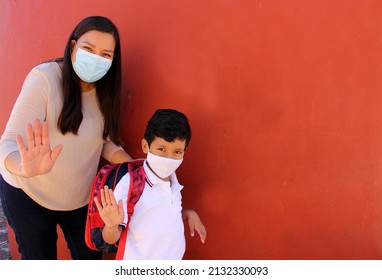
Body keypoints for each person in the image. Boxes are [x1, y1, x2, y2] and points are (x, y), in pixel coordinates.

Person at [0, 16, 204, 260]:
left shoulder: (105, 90)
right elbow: (8, 143)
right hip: (29, 194)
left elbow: (104, 141)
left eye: (106, 54)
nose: (96, 58)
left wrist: (134, 171)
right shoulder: (44, 79)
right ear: (73, 47)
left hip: (79, 198)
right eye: (88, 49)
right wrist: (24, 168)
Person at [95, 109, 206, 260]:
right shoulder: (130, 184)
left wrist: (187, 214)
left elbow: (161, 214)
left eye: (177, 152)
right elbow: (110, 238)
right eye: (161, 149)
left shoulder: (173, 181)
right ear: (145, 146)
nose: (169, 158)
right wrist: (111, 225)